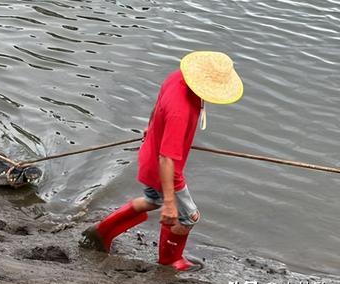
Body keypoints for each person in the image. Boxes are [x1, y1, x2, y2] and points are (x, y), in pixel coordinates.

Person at [79, 51, 244, 271]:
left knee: (151, 200)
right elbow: (166, 159)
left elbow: (157, 108)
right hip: (165, 170)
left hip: (150, 155)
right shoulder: (181, 111)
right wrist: (170, 203)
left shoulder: (176, 77)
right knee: (189, 217)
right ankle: (170, 261)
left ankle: (101, 232)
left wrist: (151, 127)